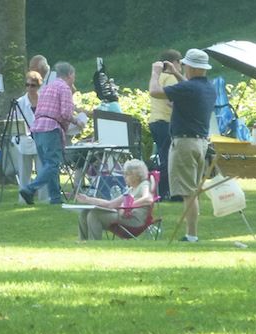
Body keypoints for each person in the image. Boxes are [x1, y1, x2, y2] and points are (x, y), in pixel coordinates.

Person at [150, 48, 216, 242]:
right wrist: (177, 73)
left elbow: (155, 92)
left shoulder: (189, 88)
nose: (183, 67)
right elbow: (188, 86)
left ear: (192, 67)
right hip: (200, 143)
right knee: (192, 190)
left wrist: (155, 73)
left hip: (184, 143)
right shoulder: (207, 88)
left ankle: (192, 235)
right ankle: (192, 233)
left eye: (185, 65)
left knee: (188, 192)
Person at [18, 61, 78, 206]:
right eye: (73, 76)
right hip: (51, 128)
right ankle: (29, 189)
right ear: (69, 75)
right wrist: (77, 122)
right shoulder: (65, 88)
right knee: (52, 164)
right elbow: (65, 113)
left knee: (48, 165)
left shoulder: (46, 88)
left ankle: (55, 198)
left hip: (37, 128)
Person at [74, 159, 155, 240]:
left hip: (134, 221)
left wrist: (129, 205)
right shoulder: (131, 190)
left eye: (127, 174)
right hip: (125, 217)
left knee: (94, 215)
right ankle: (83, 244)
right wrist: (87, 199)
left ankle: (94, 244)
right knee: (84, 213)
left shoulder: (144, 185)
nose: (124, 177)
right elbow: (110, 204)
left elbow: (148, 199)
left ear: (136, 175)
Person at [147, 49, 181, 200]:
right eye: (179, 62)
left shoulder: (158, 77)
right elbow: (170, 101)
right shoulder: (171, 78)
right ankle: (162, 190)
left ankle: (160, 190)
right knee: (169, 159)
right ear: (173, 63)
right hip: (166, 121)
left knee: (163, 157)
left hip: (155, 120)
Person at [12, 70, 45, 203]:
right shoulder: (20, 102)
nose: (30, 88)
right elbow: (15, 124)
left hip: (41, 140)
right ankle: (23, 199)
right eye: (27, 85)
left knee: (42, 170)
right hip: (24, 141)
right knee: (24, 172)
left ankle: (44, 199)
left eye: (33, 85)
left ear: (38, 86)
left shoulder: (44, 101)